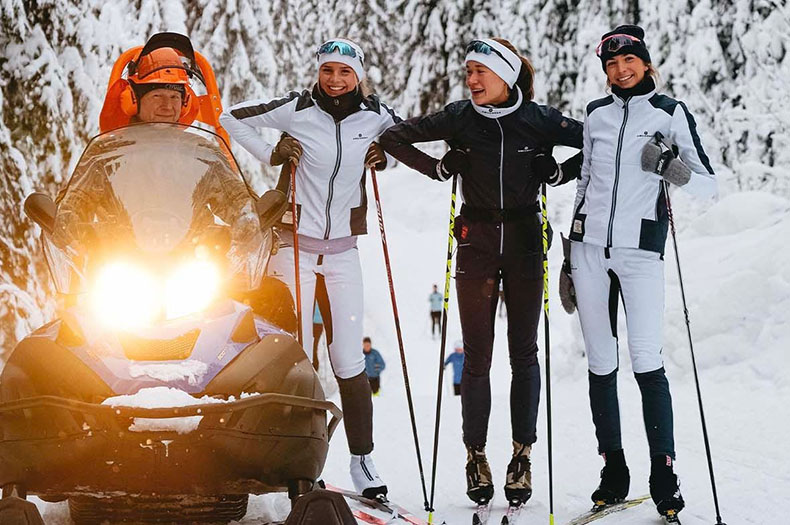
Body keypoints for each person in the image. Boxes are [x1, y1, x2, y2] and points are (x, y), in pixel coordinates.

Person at [380, 38, 583, 508]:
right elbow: (392, 138)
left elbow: (600, 140)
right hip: (476, 243)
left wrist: (557, 173)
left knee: (524, 354)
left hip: (526, 243)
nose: (471, 80)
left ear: (505, 76)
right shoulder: (459, 117)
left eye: (480, 72)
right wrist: (438, 167)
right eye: (468, 71)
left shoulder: (539, 119)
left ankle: (522, 455)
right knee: (477, 358)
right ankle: (476, 455)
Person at [219, 38, 402, 500]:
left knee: (349, 360)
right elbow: (229, 116)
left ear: (358, 76)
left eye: (344, 71)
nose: (335, 79)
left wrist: (385, 154)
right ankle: (297, 463)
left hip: (342, 253)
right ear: (318, 72)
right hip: (293, 247)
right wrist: (271, 152)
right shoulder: (296, 108)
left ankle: (362, 461)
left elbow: (405, 140)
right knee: (295, 358)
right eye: (327, 70)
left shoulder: (375, 115)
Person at [561, 25, 716, 520]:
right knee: (600, 363)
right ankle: (614, 470)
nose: (620, 70)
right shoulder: (596, 114)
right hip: (588, 252)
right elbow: (586, 180)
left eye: (629, 61)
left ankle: (663, 474)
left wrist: (669, 165)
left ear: (645, 63)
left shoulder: (670, 112)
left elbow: (709, 185)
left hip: (641, 253)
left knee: (647, 361)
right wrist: (570, 251)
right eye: (611, 64)